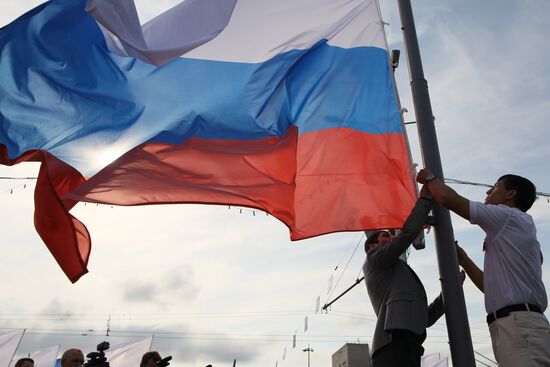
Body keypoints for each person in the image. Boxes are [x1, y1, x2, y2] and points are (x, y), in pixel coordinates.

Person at [417, 168, 550, 366]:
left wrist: (429, 178)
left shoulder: (509, 217)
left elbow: (449, 199)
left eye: (495, 187)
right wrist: (464, 260)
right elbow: (490, 288)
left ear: (510, 194)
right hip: (513, 324)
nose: (488, 192)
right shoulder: (515, 231)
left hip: (519, 324)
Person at [363, 185, 450, 367]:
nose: (392, 237)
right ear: (372, 247)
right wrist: (424, 201)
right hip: (393, 343)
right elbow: (406, 235)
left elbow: (426, 318)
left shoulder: (395, 271)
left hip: (408, 343)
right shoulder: (373, 259)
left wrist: (450, 290)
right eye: (386, 235)